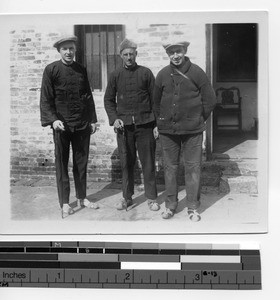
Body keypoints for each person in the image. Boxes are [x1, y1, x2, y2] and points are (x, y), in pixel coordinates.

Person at [153, 40, 216, 221]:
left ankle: (193, 207)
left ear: (185, 51)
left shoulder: (197, 72)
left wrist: (197, 119)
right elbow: (155, 103)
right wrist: (161, 121)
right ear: (168, 55)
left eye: (178, 51)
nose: (175, 55)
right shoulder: (163, 74)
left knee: (193, 168)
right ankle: (170, 205)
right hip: (168, 132)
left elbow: (210, 100)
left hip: (192, 131)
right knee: (170, 169)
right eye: (171, 52)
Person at [40, 36, 99, 218]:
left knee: (81, 164)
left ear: (75, 50)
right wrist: (52, 120)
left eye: (71, 49)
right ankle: (65, 203)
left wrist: (93, 120)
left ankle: (82, 198)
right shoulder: (51, 70)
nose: (68, 52)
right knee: (62, 164)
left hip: (81, 124)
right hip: (61, 126)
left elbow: (87, 96)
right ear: (59, 51)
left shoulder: (81, 69)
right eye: (65, 49)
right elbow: (46, 98)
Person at [104, 38, 159, 211]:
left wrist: (156, 124)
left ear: (136, 54)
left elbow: (155, 100)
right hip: (124, 127)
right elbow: (108, 99)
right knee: (126, 163)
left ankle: (152, 198)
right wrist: (115, 118)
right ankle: (126, 198)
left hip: (145, 125)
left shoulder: (146, 73)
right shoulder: (115, 75)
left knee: (148, 162)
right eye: (125, 54)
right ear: (121, 56)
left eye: (131, 54)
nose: (129, 57)